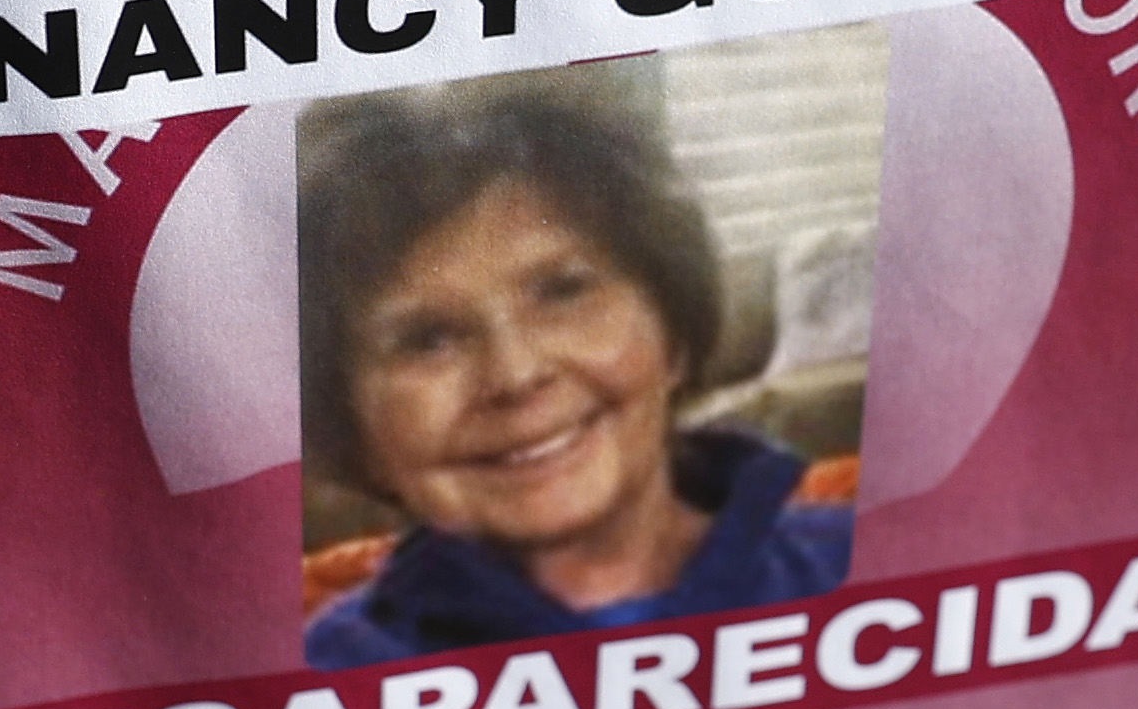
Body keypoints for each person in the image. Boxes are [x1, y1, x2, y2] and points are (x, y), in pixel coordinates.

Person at [300, 78, 852, 670]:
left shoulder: (880, 566)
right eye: (427, 340)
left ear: (670, 326)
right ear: (351, 421)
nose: (516, 375)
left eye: (563, 292)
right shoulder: (316, 686)